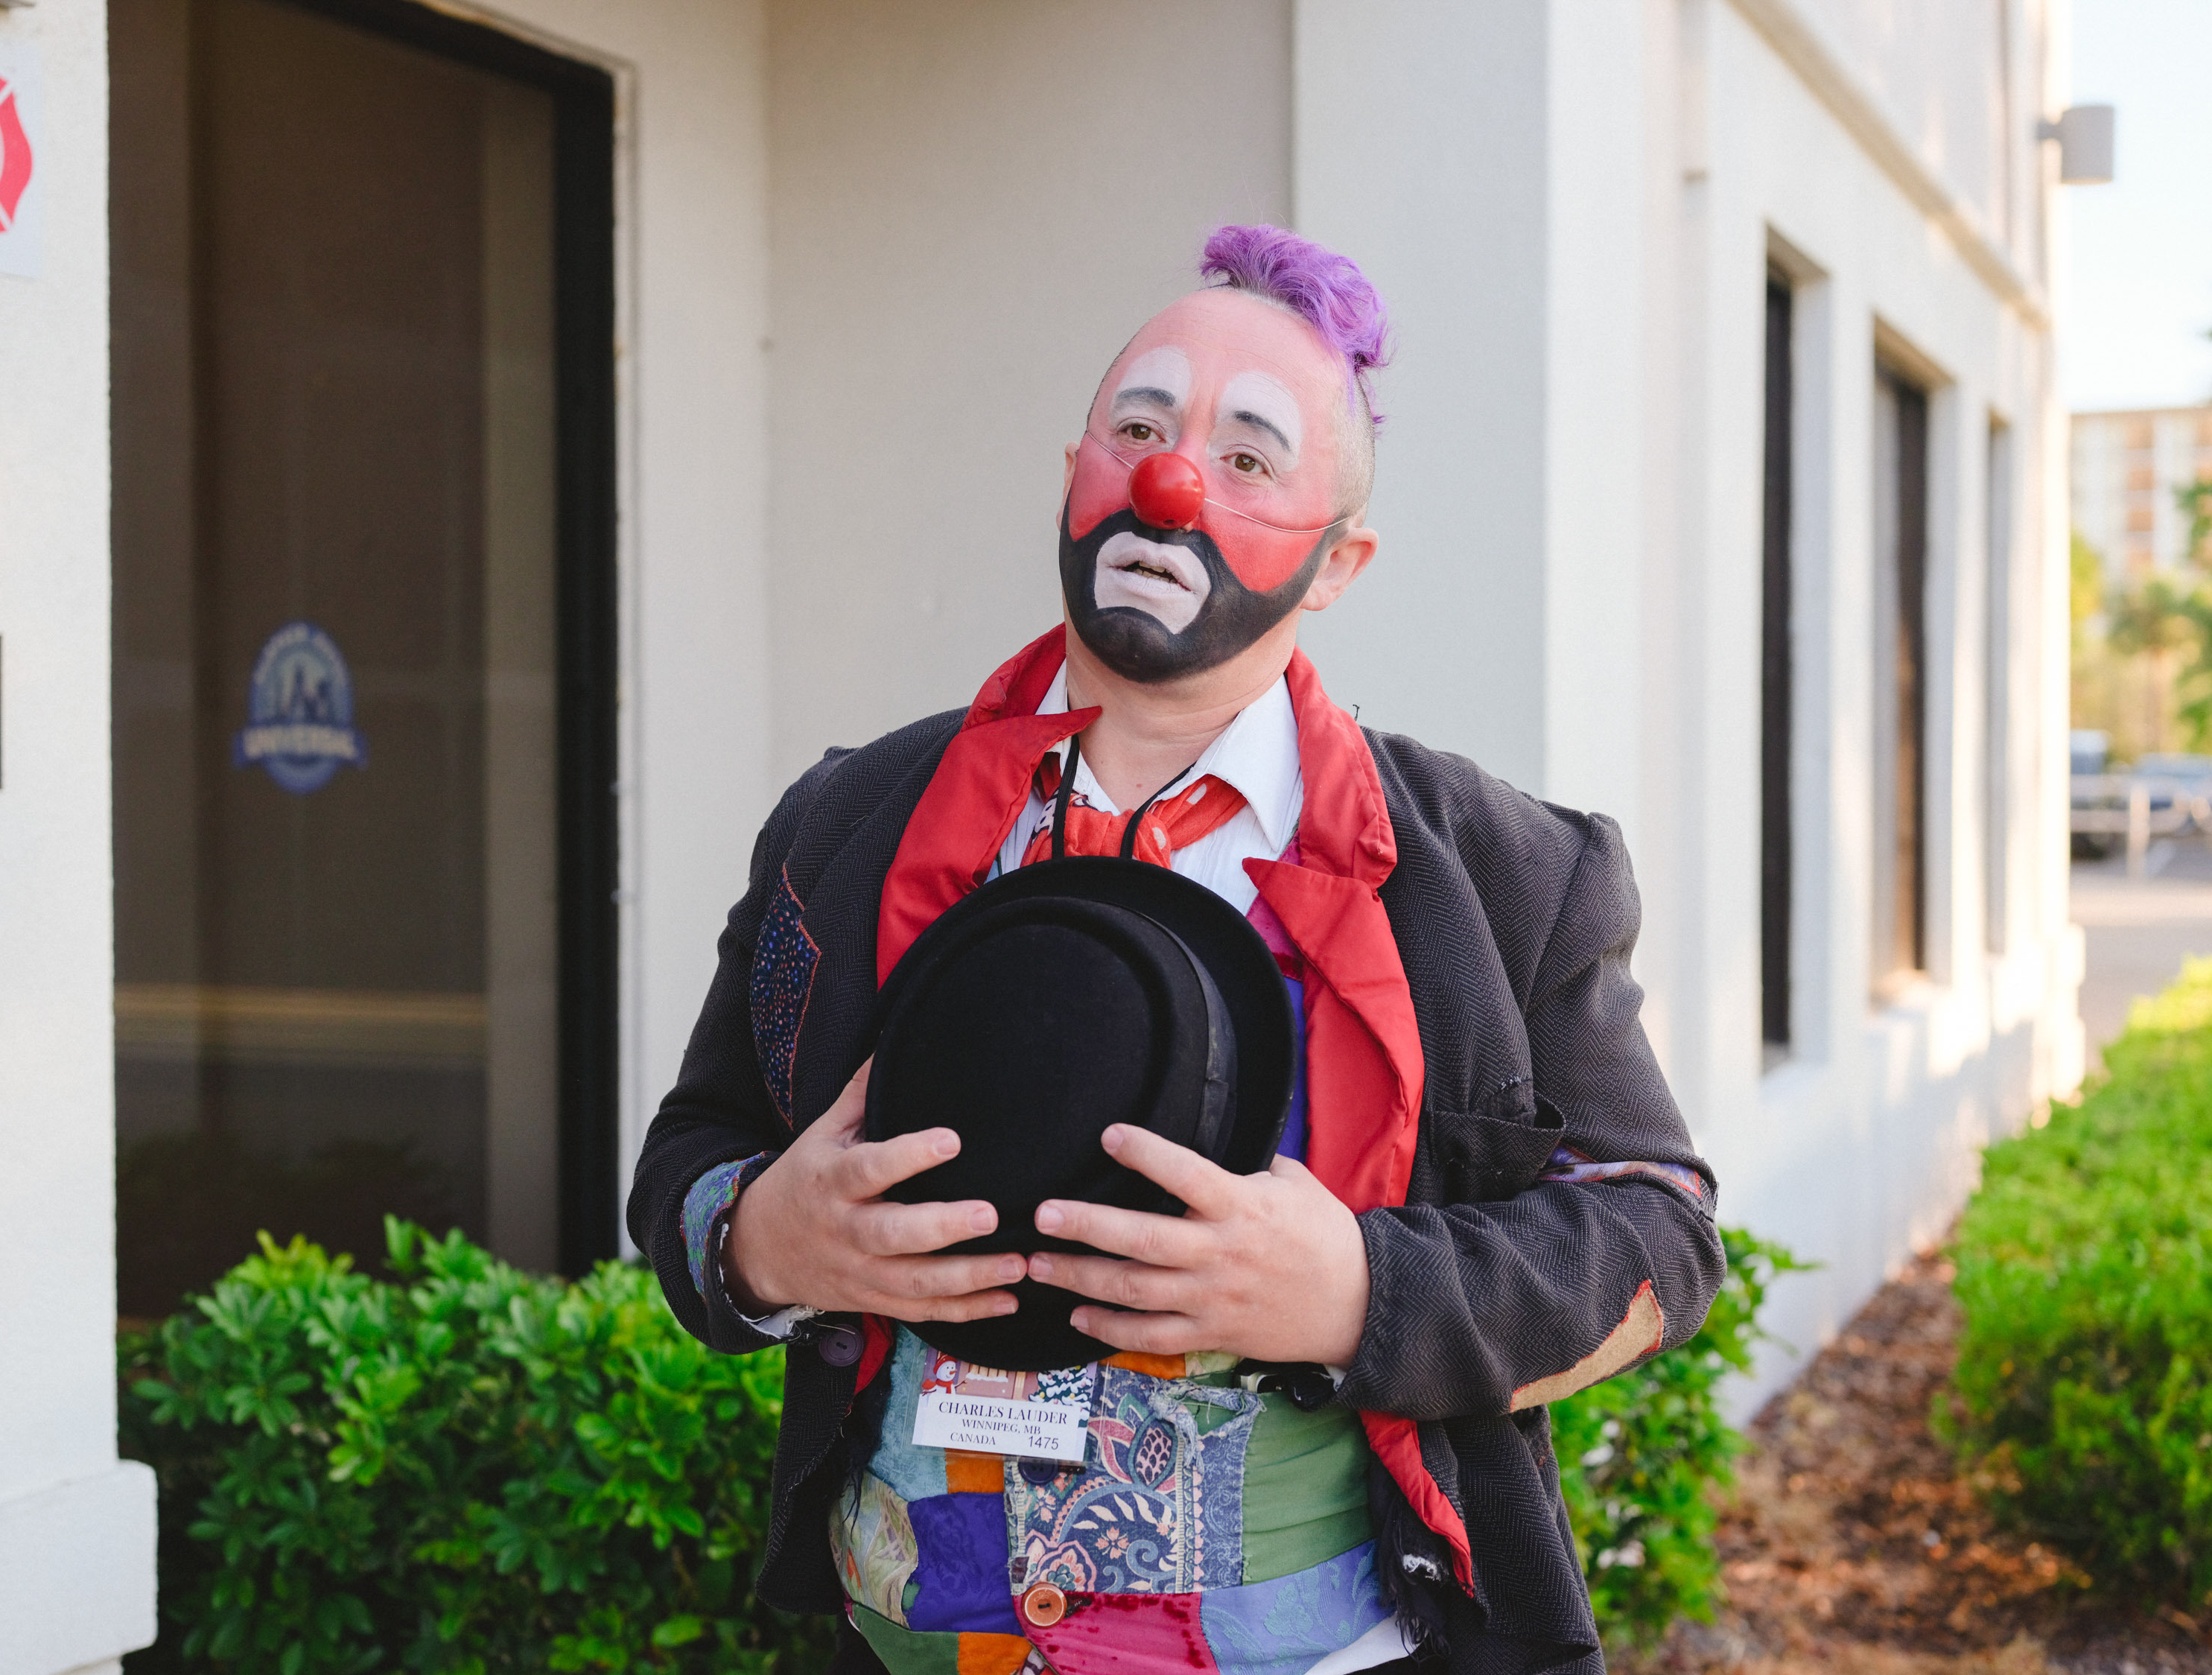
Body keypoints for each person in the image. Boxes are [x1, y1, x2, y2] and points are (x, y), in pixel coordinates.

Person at [630, 225, 1723, 1675]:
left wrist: (1358, 1289)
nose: (1173, 475)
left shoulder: (1509, 875)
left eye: (1250, 456)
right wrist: (761, 1238)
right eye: (1138, 427)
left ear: (1340, 562)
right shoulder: (846, 824)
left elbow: (1659, 1233)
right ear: (1074, 476)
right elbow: (694, 1153)